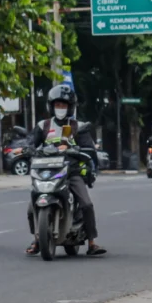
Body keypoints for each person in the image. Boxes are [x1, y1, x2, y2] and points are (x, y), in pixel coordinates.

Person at [25, 84, 104, 256]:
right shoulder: (43, 125)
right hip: (46, 171)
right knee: (31, 207)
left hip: (71, 172)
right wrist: (29, 149)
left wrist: (80, 152)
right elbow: (31, 143)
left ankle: (92, 242)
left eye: (64, 105)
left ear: (70, 107)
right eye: (57, 105)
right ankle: (38, 239)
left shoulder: (78, 126)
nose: (60, 108)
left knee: (87, 204)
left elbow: (88, 148)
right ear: (51, 106)